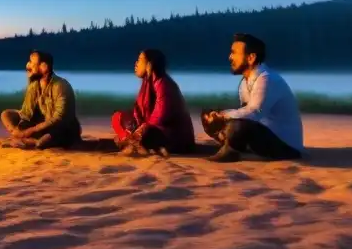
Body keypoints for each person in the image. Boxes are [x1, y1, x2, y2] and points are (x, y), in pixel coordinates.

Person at [201, 33, 304, 163]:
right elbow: (244, 110)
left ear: (251, 58)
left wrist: (223, 115)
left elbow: (254, 112)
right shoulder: (245, 82)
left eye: (234, 53)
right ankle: (230, 143)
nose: (230, 57)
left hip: (286, 147)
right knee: (207, 115)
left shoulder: (267, 79)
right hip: (263, 135)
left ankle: (231, 150)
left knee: (239, 123)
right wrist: (217, 116)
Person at [111, 49, 195, 157]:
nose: (136, 63)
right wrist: (135, 128)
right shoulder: (147, 83)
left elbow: (160, 116)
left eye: (140, 60)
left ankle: (131, 142)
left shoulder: (164, 84)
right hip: (152, 128)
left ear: (149, 65)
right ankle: (131, 141)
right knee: (118, 117)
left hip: (171, 136)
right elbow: (138, 112)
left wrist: (141, 129)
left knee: (147, 132)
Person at [0, 51, 82, 149]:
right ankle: (24, 139)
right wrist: (19, 130)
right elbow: (26, 114)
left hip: (61, 127)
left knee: (44, 141)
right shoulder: (34, 86)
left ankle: (31, 142)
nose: (28, 65)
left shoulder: (60, 85)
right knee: (6, 115)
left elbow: (59, 118)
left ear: (44, 67)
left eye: (31, 62)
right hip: (42, 125)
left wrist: (31, 130)